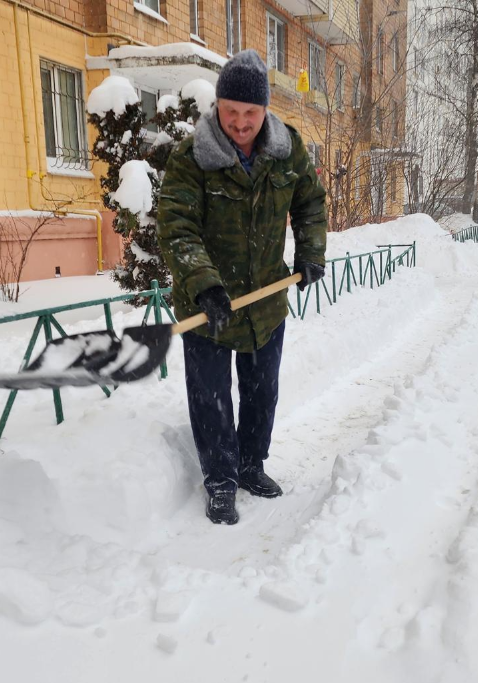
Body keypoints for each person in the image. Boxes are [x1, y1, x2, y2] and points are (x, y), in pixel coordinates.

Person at [156, 50, 327, 525]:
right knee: (210, 396)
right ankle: (221, 480)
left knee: (261, 391)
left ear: (266, 110)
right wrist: (205, 285)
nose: (240, 122)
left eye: (251, 112)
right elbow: (177, 227)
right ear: (219, 105)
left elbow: (311, 201)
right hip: (208, 306)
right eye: (231, 110)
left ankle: (252, 465)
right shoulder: (191, 158)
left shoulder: (286, 149)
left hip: (265, 300)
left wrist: (311, 251)